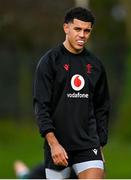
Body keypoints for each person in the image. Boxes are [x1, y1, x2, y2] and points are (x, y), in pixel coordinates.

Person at [33, 6, 110, 179]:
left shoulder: (96, 65)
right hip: (59, 146)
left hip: (88, 145)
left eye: (87, 31)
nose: (82, 35)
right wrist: (53, 144)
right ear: (66, 28)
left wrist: (100, 146)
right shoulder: (49, 62)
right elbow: (41, 106)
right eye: (77, 29)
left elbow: (102, 108)